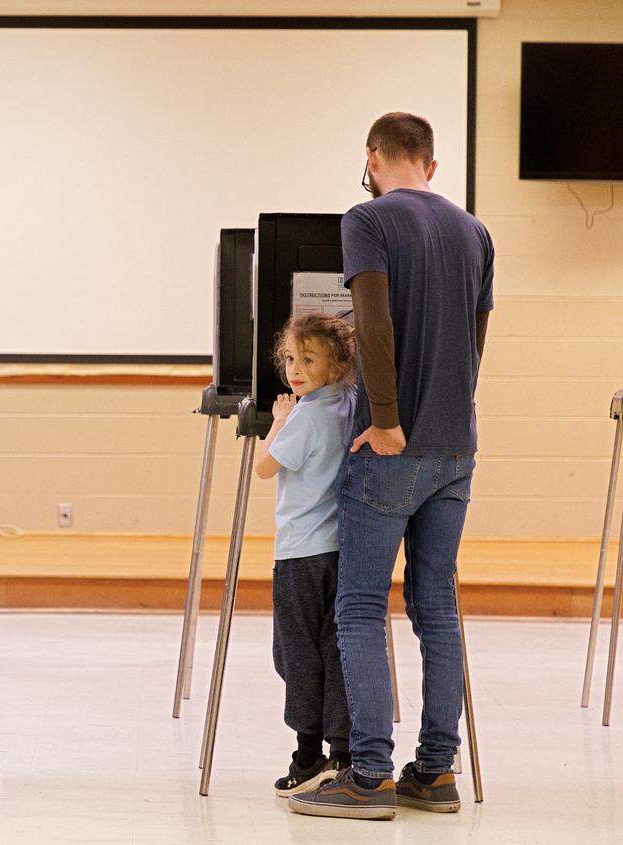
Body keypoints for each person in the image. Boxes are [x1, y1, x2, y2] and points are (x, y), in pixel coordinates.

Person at [290, 113, 494, 821]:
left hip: (393, 444)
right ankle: (436, 771)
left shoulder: (368, 219)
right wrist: (447, 420)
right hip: (456, 447)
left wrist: (383, 419)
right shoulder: (476, 231)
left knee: (359, 606)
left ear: (373, 158)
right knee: (435, 606)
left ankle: (370, 773)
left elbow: (372, 326)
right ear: (431, 166)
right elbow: (475, 341)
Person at [254, 312, 356, 797]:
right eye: (291, 358)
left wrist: (278, 420)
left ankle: (306, 755)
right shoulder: (348, 402)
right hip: (340, 550)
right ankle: (342, 752)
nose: (295, 369)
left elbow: (264, 467)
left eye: (308, 359)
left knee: (295, 654)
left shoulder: (307, 414)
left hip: (299, 555)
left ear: (335, 365)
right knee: (333, 651)